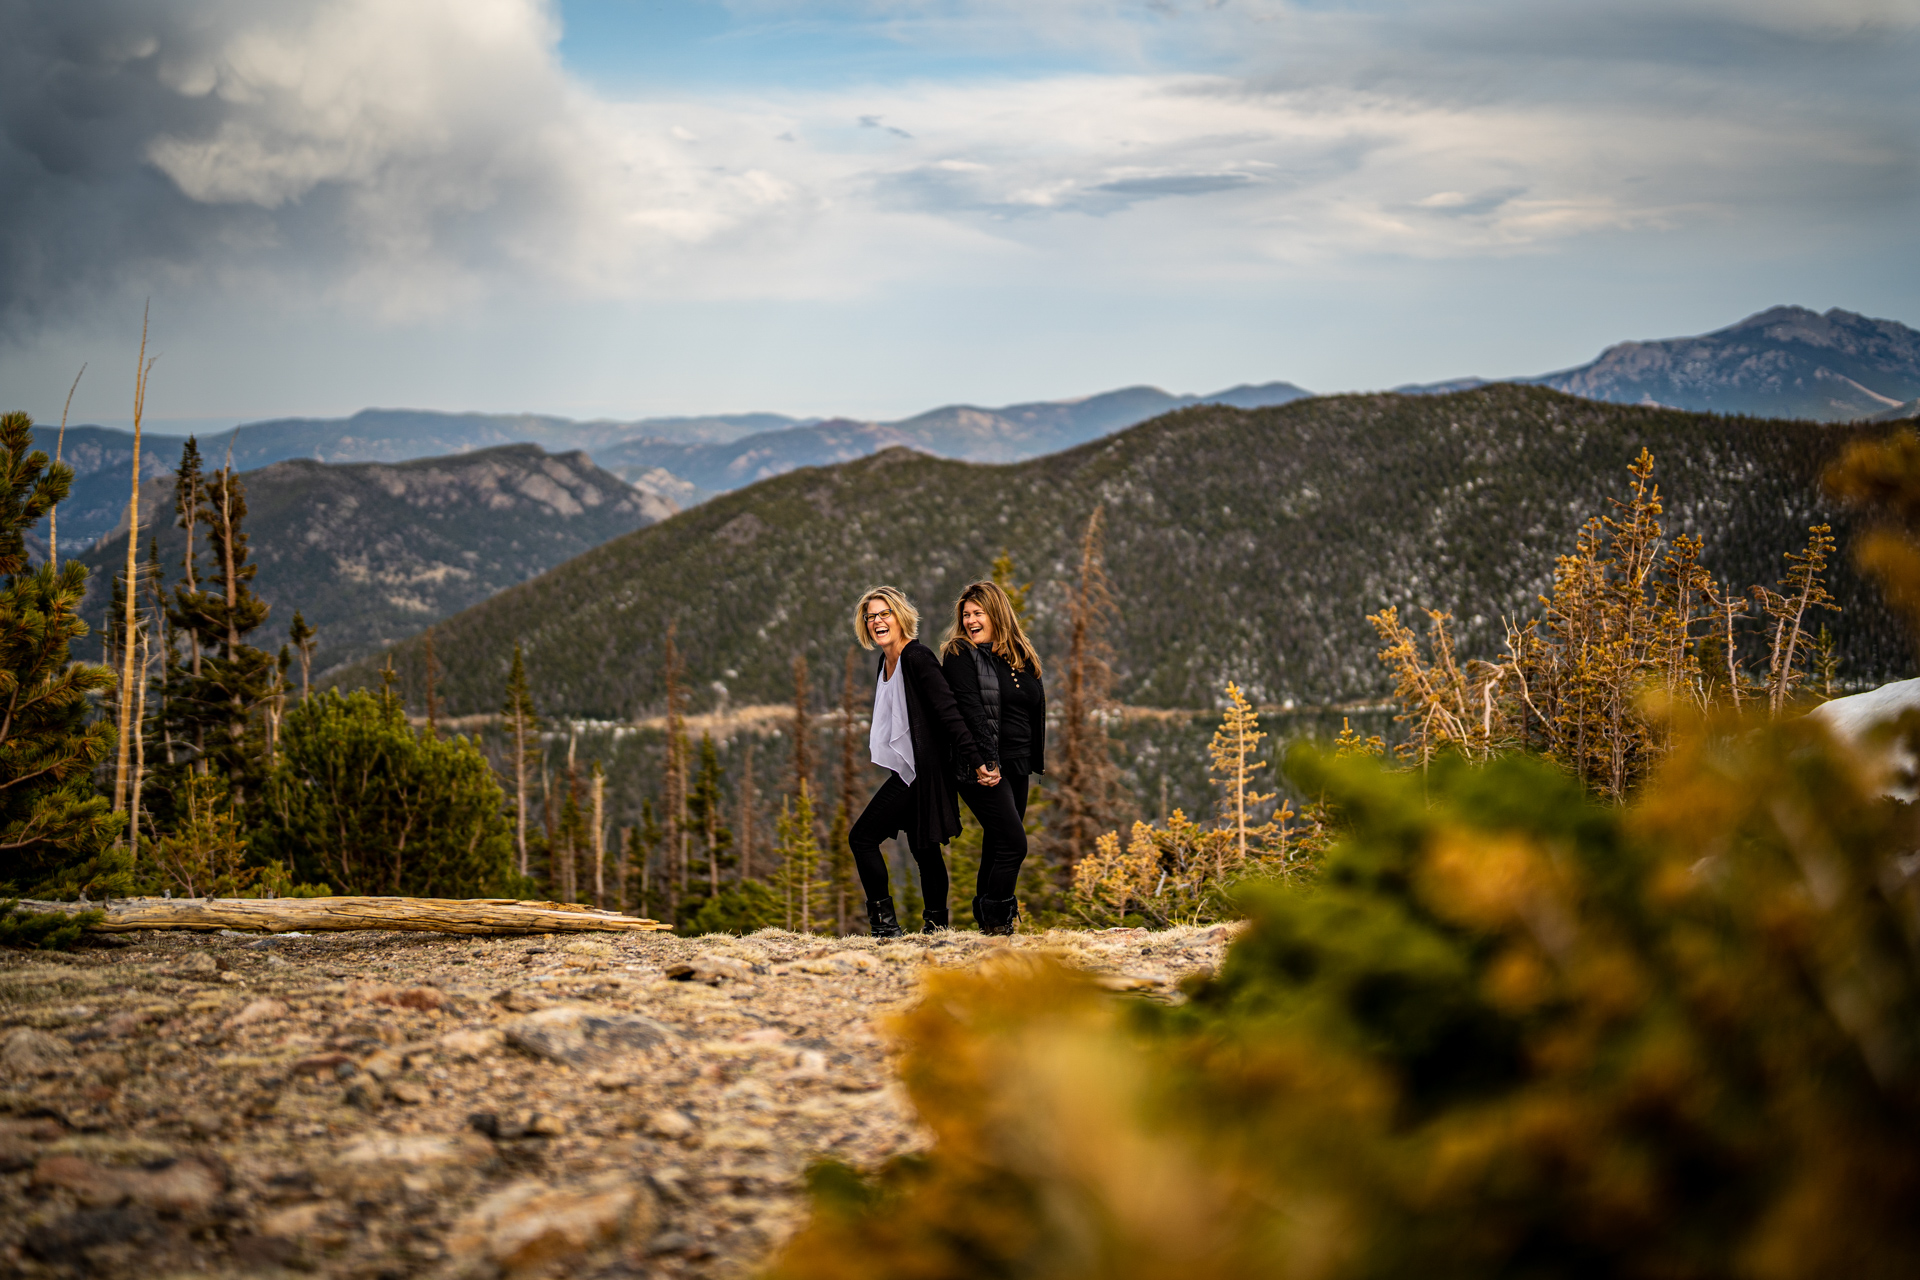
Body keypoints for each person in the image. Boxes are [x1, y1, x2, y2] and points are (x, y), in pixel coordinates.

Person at [847, 584, 989, 936]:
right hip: (911, 768)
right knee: (924, 849)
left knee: (862, 838)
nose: (877, 621)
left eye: (884, 614)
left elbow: (948, 711)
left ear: (900, 616)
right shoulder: (887, 660)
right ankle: (937, 928)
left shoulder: (917, 656)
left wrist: (975, 759)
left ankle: (885, 929)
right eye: (871, 617)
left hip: (923, 772)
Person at [940, 581, 1046, 935]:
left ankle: (987, 922)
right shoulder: (960, 654)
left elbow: (1030, 710)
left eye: (977, 613)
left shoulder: (1021, 656)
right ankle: (998, 921)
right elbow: (971, 711)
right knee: (1015, 844)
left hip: (1017, 763)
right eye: (966, 615)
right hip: (982, 765)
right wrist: (986, 762)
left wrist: (1031, 758)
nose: (970, 620)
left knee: (999, 841)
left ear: (996, 614)